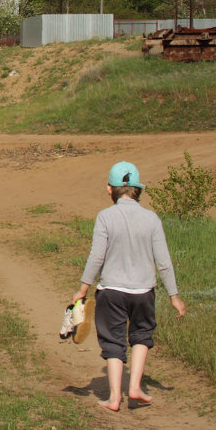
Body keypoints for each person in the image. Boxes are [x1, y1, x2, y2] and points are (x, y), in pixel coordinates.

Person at [72, 161, 186, 411]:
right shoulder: (152, 219)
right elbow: (163, 261)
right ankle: (134, 386)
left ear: (109, 189)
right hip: (143, 291)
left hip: (111, 291)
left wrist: (83, 289)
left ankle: (114, 398)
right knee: (141, 335)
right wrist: (174, 295)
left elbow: (96, 257)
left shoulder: (105, 217)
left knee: (113, 341)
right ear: (138, 190)